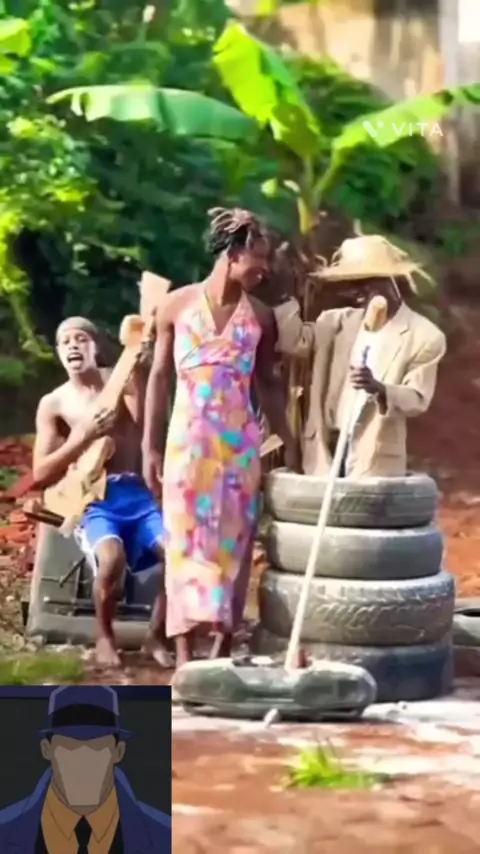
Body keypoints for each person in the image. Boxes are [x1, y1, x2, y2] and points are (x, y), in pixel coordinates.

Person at [142, 206, 298, 668]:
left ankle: (222, 650)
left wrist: (290, 441)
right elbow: (158, 379)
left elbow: (268, 385)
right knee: (184, 542)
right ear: (232, 255)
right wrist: (150, 446)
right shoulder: (177, 306)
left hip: (238, 450)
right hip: (186, 446)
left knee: (234, 542)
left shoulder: (261, 317)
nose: (263, 268)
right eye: (258, 258)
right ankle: (185, 654)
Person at [32, 312, 172, 669]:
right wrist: (81, 438)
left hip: (137, 494)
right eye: (65, 341)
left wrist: (140, 369)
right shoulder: (54, 403)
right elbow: (41, 472)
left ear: (96, 347)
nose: (73, 346)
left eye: (81, 338)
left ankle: (155, 635)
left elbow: (147, 424)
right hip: (95, 500)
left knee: (177, 558)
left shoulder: (120, 379)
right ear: (58, 353)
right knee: (111, 558)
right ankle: (104, 638)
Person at [272, 234, 447, 478]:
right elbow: (293, 342)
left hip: (374, 457)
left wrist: (378, 387)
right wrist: (282, 295)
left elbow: (417, 398)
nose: (356, 292)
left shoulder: (424, 336)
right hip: (325, 452)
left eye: (363, 283)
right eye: (350, 285)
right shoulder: (335, 322)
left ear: (388, 280)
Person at [0, 685, 171, 853]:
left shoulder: (165, 834)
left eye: (97, 747)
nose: (83, 763)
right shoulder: (5, 829)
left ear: (119, 751)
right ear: (46, 749)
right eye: (69, 747)